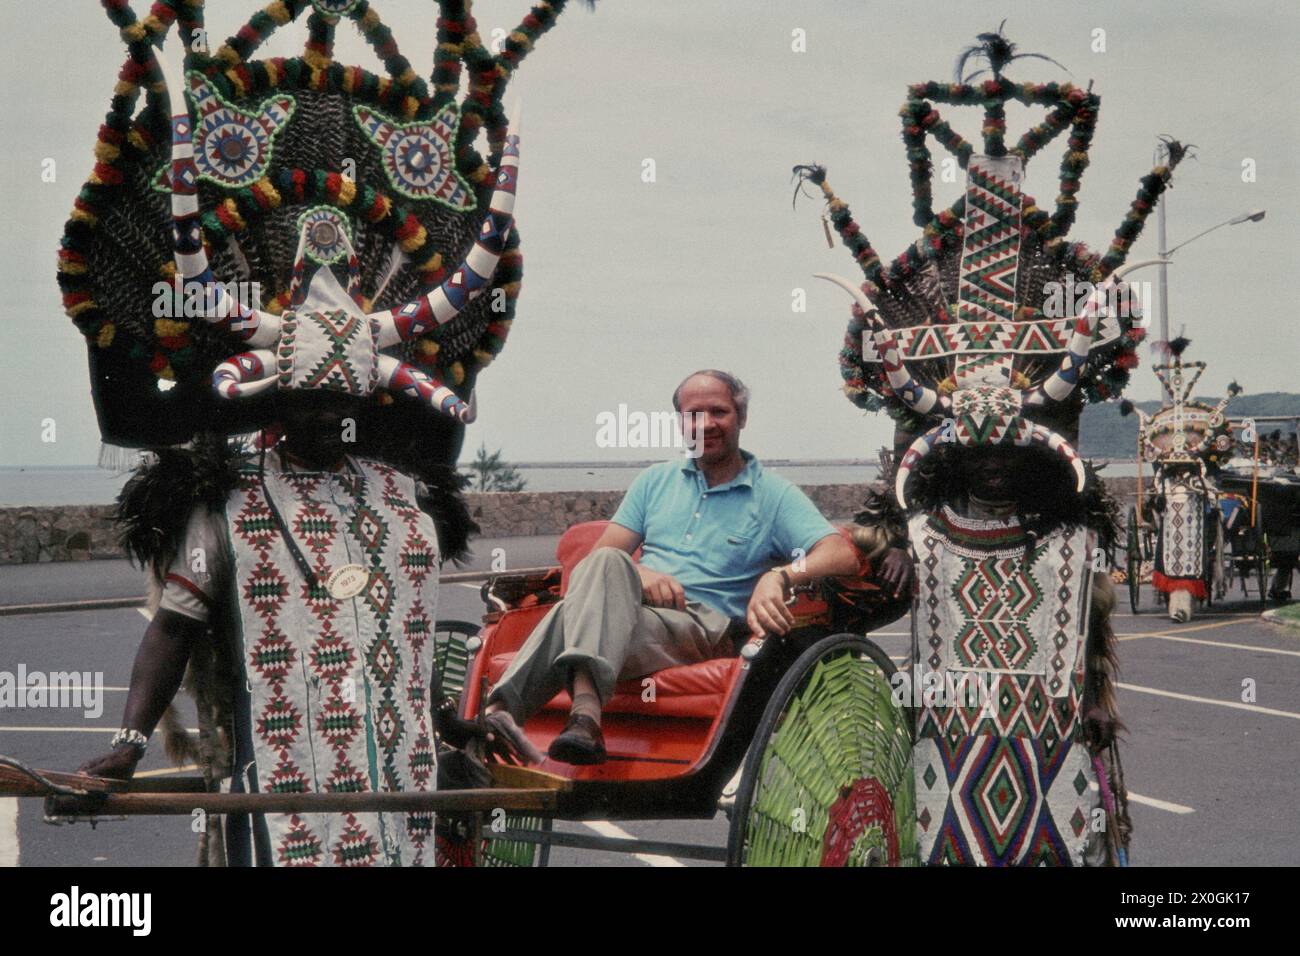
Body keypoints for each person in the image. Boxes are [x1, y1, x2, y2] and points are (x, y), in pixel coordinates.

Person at [74, 30, 542, 866]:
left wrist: (447, 722)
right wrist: (128, 741)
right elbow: (175, 628)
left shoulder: (401, 503)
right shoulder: (231, 496)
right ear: (277, 399)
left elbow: (398, 641)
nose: (335, 420)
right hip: (276, 797)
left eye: (347, 402)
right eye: (316, 404)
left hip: (394, 792)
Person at [481, 370, 861, 765]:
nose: (707, 424)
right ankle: (570, 718)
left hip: (701, 626)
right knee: (605, 564)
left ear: (741, 418)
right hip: (632, 618)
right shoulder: (654, 481)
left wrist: (778, 576)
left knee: (573, 611)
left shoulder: (774, 495)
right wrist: (643, 576)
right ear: (680, 422)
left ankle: (502, 715)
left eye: (719, 412)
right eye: (694, 414)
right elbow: (600, 558)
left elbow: (839, 552)